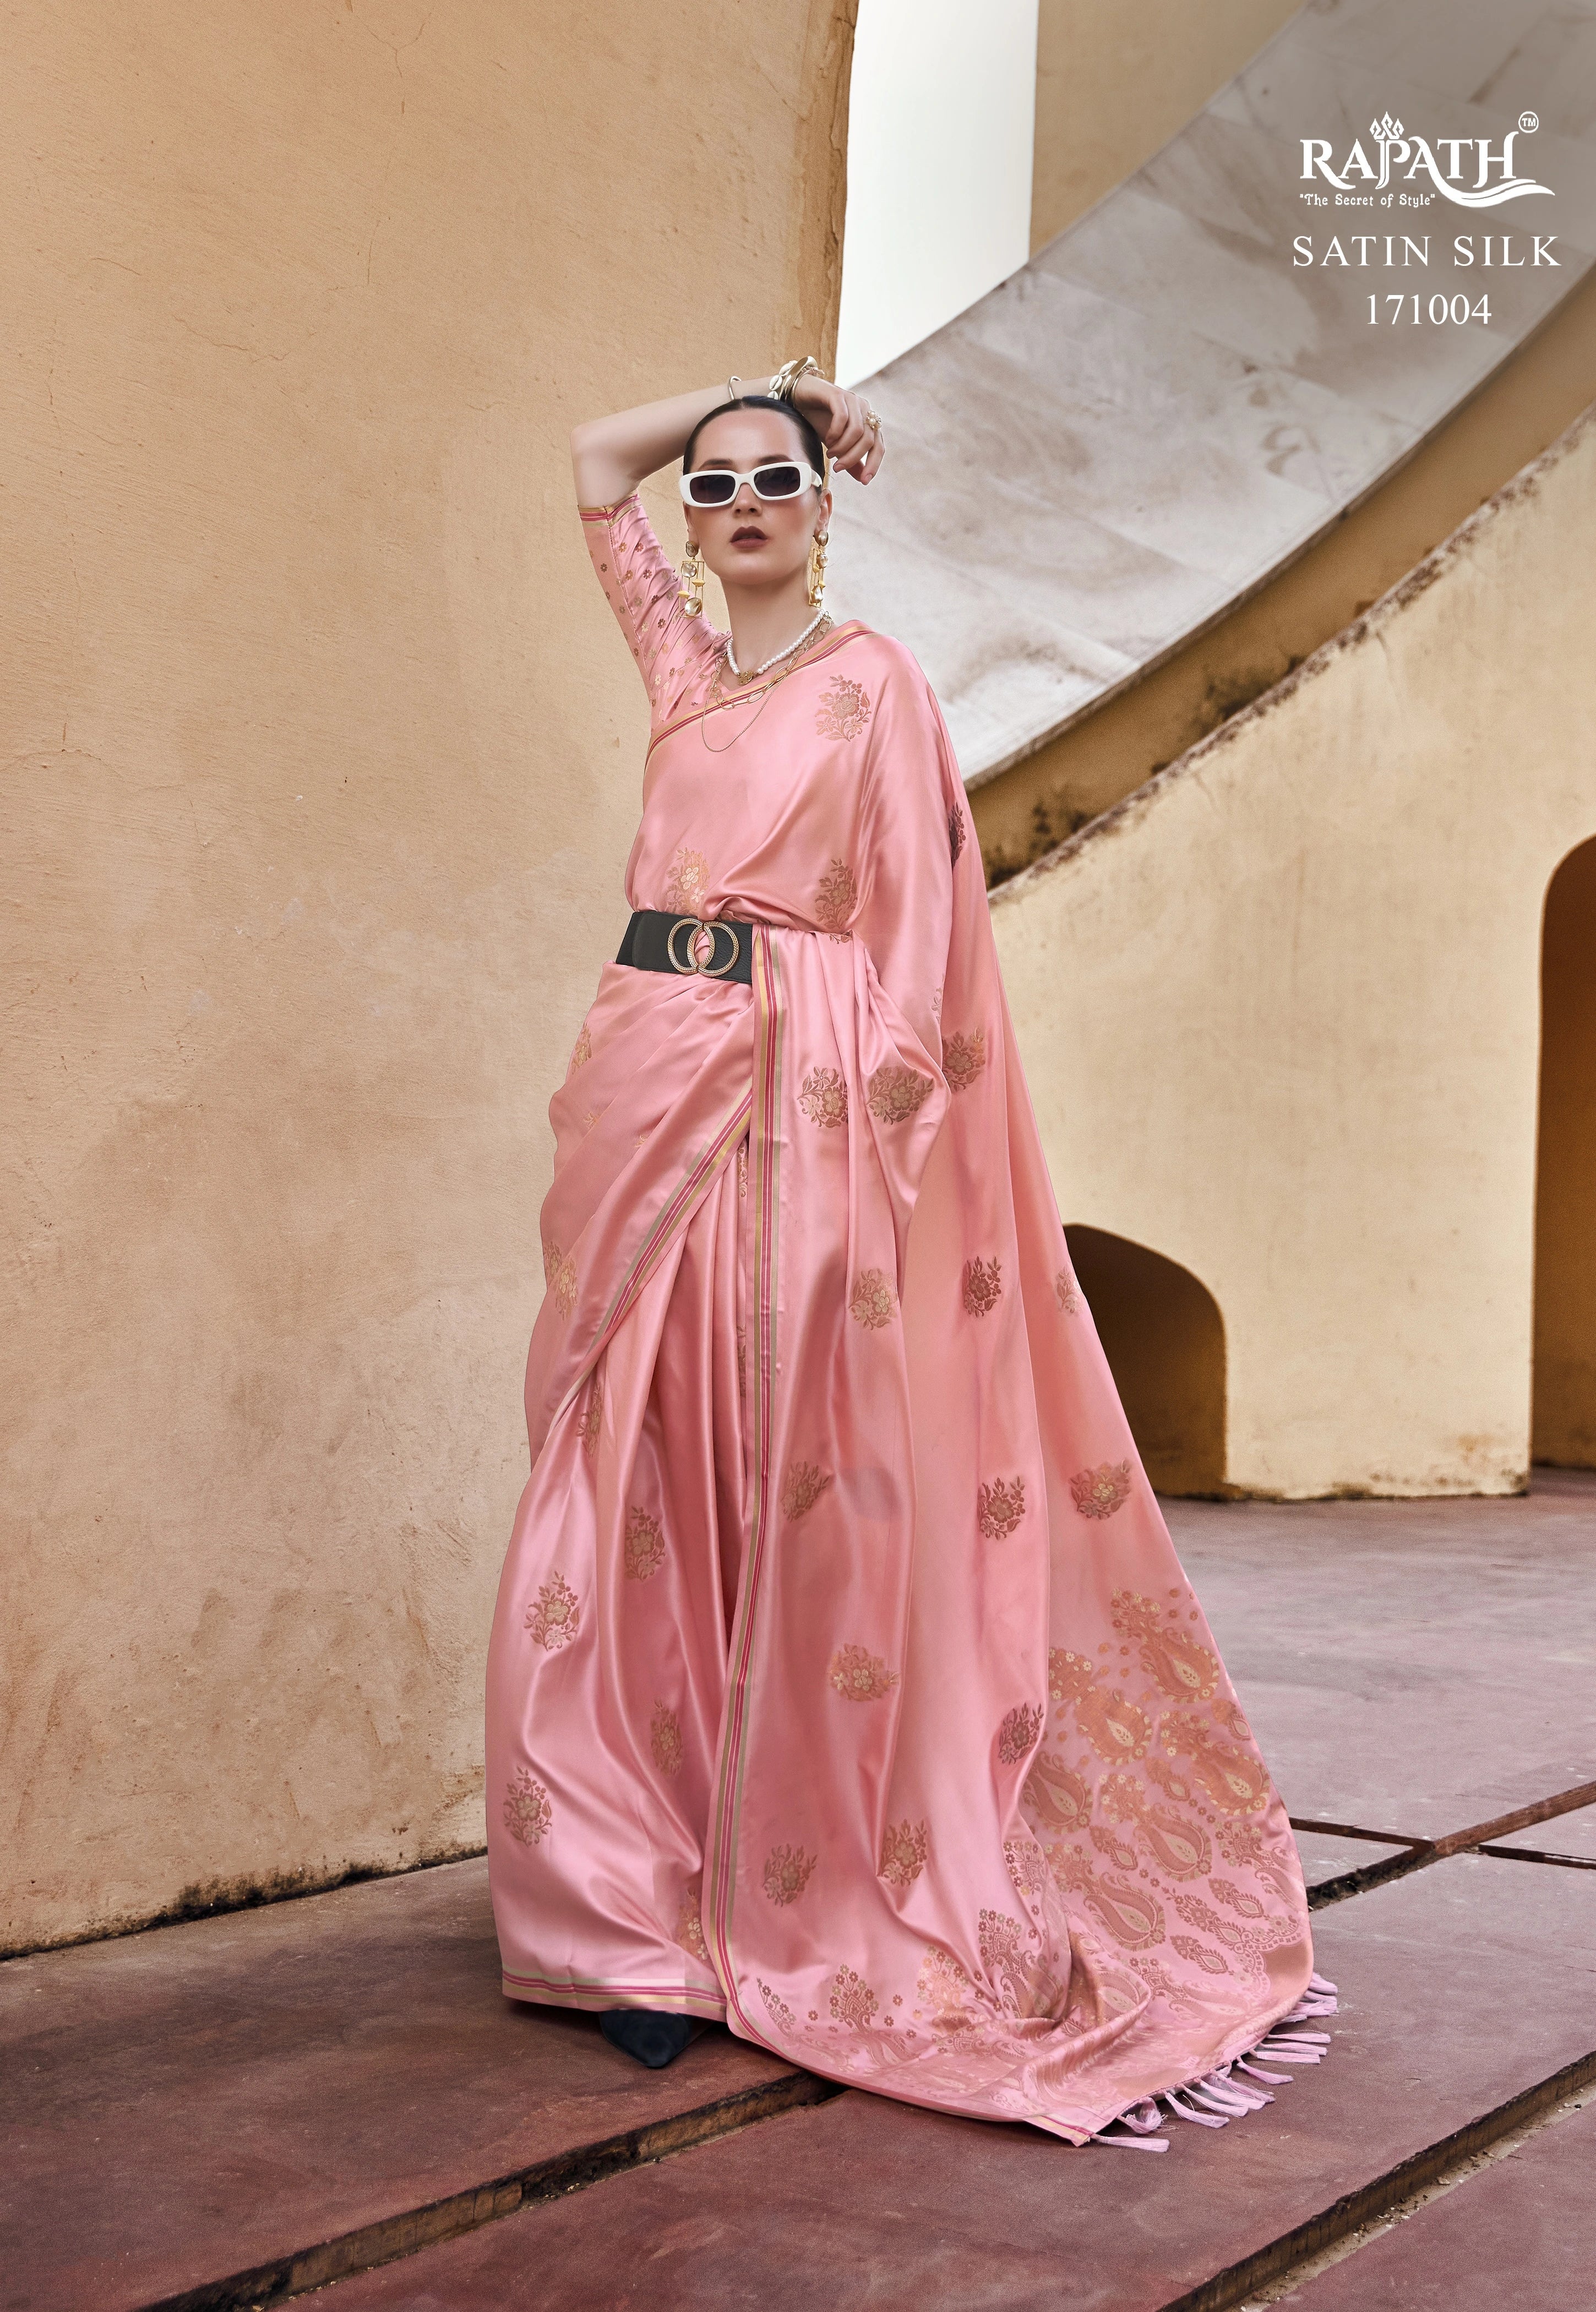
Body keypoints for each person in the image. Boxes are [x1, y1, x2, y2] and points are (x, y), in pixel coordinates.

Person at [483, 357, 1333, 2147]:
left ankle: (793, 1888)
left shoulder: (874, 688)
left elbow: (920, 939)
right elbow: (585, 459)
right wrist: (757, 384)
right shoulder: (685, 669)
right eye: (708, 489)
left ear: (824, 499)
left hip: (797, 1125)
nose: (729, 510)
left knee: (794, 1479)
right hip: (648, 1089)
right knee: (628, 1473)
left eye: (766, 479)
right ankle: (626, 1918)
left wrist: (836, 1087)